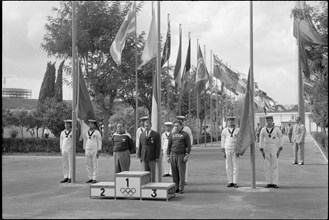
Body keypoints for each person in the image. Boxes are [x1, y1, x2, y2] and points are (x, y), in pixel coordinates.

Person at [167, 120, 192, 194]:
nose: (176, 127)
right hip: (173, 154)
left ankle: (181, 188)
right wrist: (168, 156)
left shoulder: (185, 134)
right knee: (174, 172)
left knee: (181, 172)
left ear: (181, 126)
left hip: (181, 155)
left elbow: (188, 146)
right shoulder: (172, 134)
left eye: (177, 126)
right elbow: (169, 145)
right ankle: (176, 187)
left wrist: (187, 155)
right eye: (175, 126)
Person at [259, 115, 283, 188]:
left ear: (272, 121)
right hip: (266, 147)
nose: (269, 122)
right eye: (267, 120)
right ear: (266, 121)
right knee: (267, 166)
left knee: (274, 165)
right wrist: (261, 149)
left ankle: (274, 182)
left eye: (270, 120)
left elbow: (281, 137)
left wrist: (280, 148)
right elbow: (261, 139)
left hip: (274, 147)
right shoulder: (263, 129)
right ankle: (268, 182)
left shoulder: (276, 129)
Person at [221, 116, 240, 188]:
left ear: (234, 121)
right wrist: (223, 151)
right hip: (227, 149)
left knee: (235, 166)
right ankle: (230, 181)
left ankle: (235, 182)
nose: (230, 122)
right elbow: (223, 141)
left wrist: (239, 150)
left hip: (235, 149)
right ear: (227, 122)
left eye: (232, 120)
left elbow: (239, 140)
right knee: (228, 166)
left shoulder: (238, 130)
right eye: (229, 121)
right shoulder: (225, 130)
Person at [83, 119, 102, 183]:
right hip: (87, 149)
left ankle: (94, 178)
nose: (90, 125)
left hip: (94, 150)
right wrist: (84, 149)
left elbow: (99, 141)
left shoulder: (97, 132)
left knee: (94, 164)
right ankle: (90, 177)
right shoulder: (86, 132)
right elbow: (85, 141)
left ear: (94, 125)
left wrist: (98, 150)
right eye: (89, 124)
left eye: (92, 124)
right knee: (88, 164)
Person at [176, 115, 193, 185]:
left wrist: (189, 147)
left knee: (185, 164)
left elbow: (190, 138)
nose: (181, 122)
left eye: (182, 120)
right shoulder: (175, 128)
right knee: (177, 165)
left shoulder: (187, 129)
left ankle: (184, 180)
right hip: (177, 149)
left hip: (184, 149)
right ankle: (178, 180)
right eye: (179, 120)